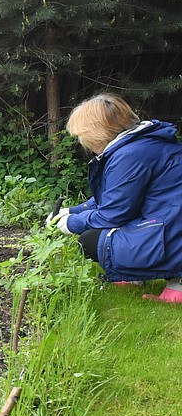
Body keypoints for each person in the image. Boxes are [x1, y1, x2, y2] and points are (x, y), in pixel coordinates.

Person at [50, 93, 182, 302]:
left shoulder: (130, 155)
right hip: (172, 225)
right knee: (97, 235)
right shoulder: (139, 145)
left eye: (81, 135)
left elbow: (113, 214)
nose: (81, 141)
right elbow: (117, 197)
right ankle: (138, 276)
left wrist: (71, 223)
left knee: (91, 241)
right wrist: (72, 211)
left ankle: (177, 282)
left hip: (174, 233)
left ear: (97, 132)